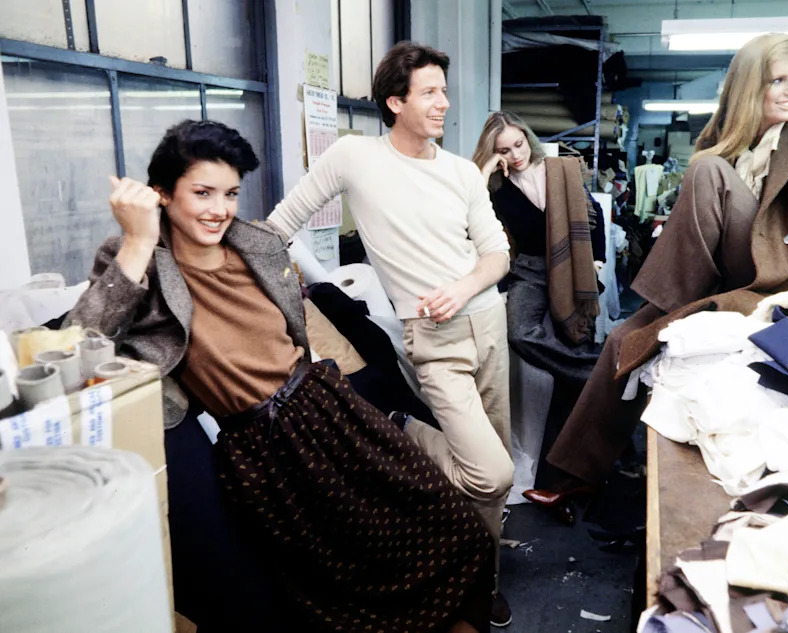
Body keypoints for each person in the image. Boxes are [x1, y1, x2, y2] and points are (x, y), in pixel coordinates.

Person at [65, 120, 494, 633]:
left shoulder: (258, 244)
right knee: (339, 577)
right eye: (202, 193)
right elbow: (77, 344)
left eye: (229, 193)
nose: (219, 209)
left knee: (446, 521)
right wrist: (138, 239)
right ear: (162, 193)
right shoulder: (140, 262)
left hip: (327, 405)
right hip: (262, 444)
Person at [523, 33, 788, 519]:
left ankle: (668, 301)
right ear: (751, 87)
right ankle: (577, 475)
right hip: (720, 274)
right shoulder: (725, 139)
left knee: (705, 174)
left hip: (779, 278)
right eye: (778, 81)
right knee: (624, 338)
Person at [265, 41, 516, 627]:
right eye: (430, 92)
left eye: (444, 92)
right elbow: (281, 222)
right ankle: (405, 431)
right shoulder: (354, 156)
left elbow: (497, 254)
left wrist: (462, 285)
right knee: (489, 471)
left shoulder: (459, 172)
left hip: (488, 326)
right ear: (394, 101)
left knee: (493, 480)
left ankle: (481, 581)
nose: (444, 105)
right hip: (435, 340)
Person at [471, 111, 606, 385]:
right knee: (519, 333)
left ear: (527, 138)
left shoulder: (558, 169)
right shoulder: (497, 188)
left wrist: (597, 260)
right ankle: (597, 370)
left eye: (519, 144)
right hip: (530, 270)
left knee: (577, 332)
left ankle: (581, 390)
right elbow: (469, 215)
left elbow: (595, 212)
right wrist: (485, 172)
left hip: (570, 264)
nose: (516, 155)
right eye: (504, 150)